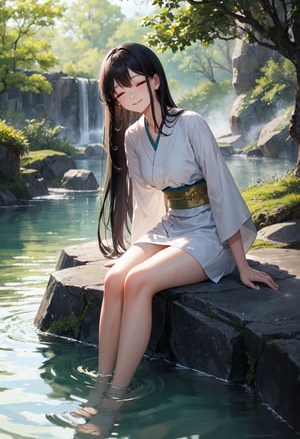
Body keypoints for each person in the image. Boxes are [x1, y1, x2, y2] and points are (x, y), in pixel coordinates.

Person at [64, 42, 279, 437]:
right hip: (171, 226)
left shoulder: (192, 122)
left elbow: (220, 190)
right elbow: (147, 202)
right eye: (118, 93)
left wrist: (242, 263)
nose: (127, 96)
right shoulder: (132, 135)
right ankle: (99, 384)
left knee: (139, 283)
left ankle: (114, 398)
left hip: (209, 231)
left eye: (133, 85)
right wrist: (136, 251)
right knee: (115, 279)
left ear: (155, 79)